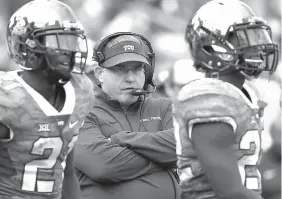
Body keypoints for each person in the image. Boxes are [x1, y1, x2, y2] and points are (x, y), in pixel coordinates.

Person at [172, 0, 279, 199]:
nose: (258, 45)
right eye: (245, 37)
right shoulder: (208, 97)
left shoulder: (246, 92)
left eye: (258, 35)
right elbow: (229, 191)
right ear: (211, 46)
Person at [0, 0, 93, 198]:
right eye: (58, 42)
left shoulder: (81, 92)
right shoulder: (7, 99)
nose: (70, 51)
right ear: (29, 48)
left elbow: (67, 172)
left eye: (71, 41)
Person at [74, 32, 179, 199]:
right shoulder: (81, 112)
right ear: (99, 73)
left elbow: (184, 147)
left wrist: (123, 139)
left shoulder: (163, 107)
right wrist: (162, 156)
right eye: (119, 69)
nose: (131, 78)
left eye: (137, 69)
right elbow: (104, 165)